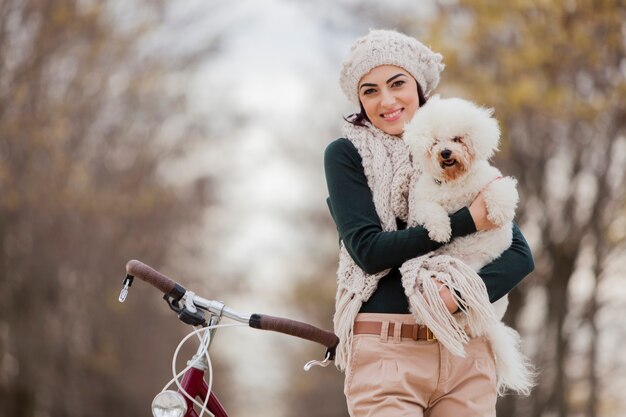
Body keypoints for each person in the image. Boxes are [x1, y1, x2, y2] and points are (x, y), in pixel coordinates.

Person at [324, 29, 534, 417]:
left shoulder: (463, 154)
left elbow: (519, 254)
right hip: (387, 352)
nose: (385, 100)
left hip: (466, 351)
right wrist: (467, 220)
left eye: (397, 83)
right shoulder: (347, 156)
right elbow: (369, 252)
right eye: (369, 91)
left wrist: (457, 297)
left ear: (419, 86)